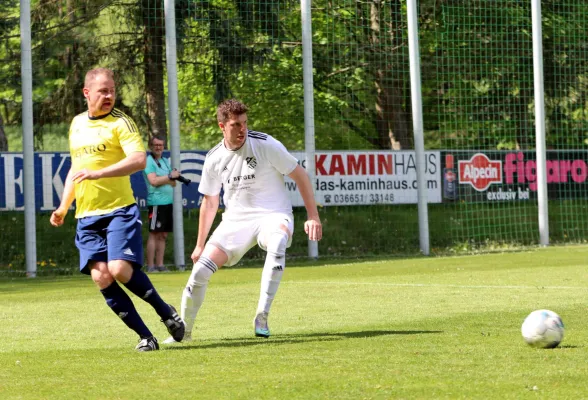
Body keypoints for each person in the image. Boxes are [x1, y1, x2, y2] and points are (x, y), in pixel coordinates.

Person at [163, 99, 322, 344]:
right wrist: (199, 245)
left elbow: (300, 175)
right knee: (200, 271)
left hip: (273, 214)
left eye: (245, 123)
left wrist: (313, 216)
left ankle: (262, 316)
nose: (242, 129)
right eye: (236, 124)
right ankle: (184, 333)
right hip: (235, 222)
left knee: (278, 241)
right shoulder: (214, 157)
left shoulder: (266, 144)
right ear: (222, 126)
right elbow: (210, 202)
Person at [50, 67, 185, 351]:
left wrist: (99, 174)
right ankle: (146, 337)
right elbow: (76, 169)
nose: (109, 95)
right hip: (86, 216)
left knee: (119, 268)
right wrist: (64, 206)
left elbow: (137, 160)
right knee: (101, 276)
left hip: (119, 210)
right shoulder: (76, 124)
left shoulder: (121, 122)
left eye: (112, 90)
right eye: (103, 91)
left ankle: (166, 312)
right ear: (87, 93)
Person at [143, 135, 180, 273]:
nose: (158, 147)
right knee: (154, 233)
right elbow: (153, 181)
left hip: (167, 203)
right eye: (156, 145)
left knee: (163, 235)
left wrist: (166, 179)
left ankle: (160, 265)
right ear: (150, 147)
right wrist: (169, 177)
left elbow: (174, 183)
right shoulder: (149, 162)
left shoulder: (165, 161)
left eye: (161, 145)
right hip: (156, 203)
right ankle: (151, 266)